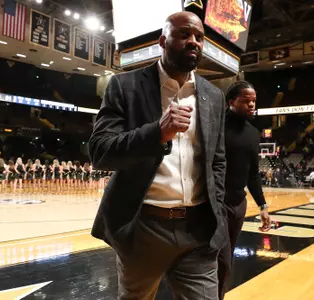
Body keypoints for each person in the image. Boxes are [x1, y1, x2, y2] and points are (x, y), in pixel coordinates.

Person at [89, 11, 228, 299]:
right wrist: (156, 133)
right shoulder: (124, 86)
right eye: (184, 34)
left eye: (199, 37)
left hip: (199, 232)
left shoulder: (214, 96)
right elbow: (100, 151)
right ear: (163, 41)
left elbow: (218, 160)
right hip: (144, 229)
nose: (194, 42)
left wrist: (217, 212)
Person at [217, 81, 271, 299]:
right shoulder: (216, 126)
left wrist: (263, 206)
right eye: (246, 100)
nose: (252, 104)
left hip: (239, 204)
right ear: (231, 102)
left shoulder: (253, 133)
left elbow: (253, 174)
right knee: (219, 257)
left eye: (254, 101)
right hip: (216, 201)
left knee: (226, 259)